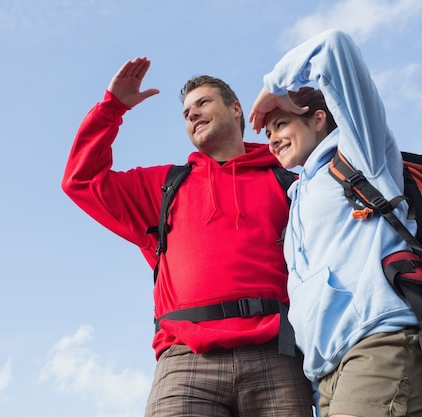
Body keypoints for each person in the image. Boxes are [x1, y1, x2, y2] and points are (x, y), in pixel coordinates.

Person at [62, 57, 313, 416]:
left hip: (277, 354)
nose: (192, 114)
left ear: (237, 109)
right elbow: (81, 180)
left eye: (203, 103)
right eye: (185, 112)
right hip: (186, 359)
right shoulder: (164, 186)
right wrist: (111, 108)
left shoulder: (289, 183)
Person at [249, 30, 422, 417]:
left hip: (380, 342)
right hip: (329, 372)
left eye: (281, 124)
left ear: (318, 118)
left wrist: (272, 88)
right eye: (268, 133)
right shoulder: (298, 196)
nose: (272, 138)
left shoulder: (361, 152)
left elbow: (335, 46)